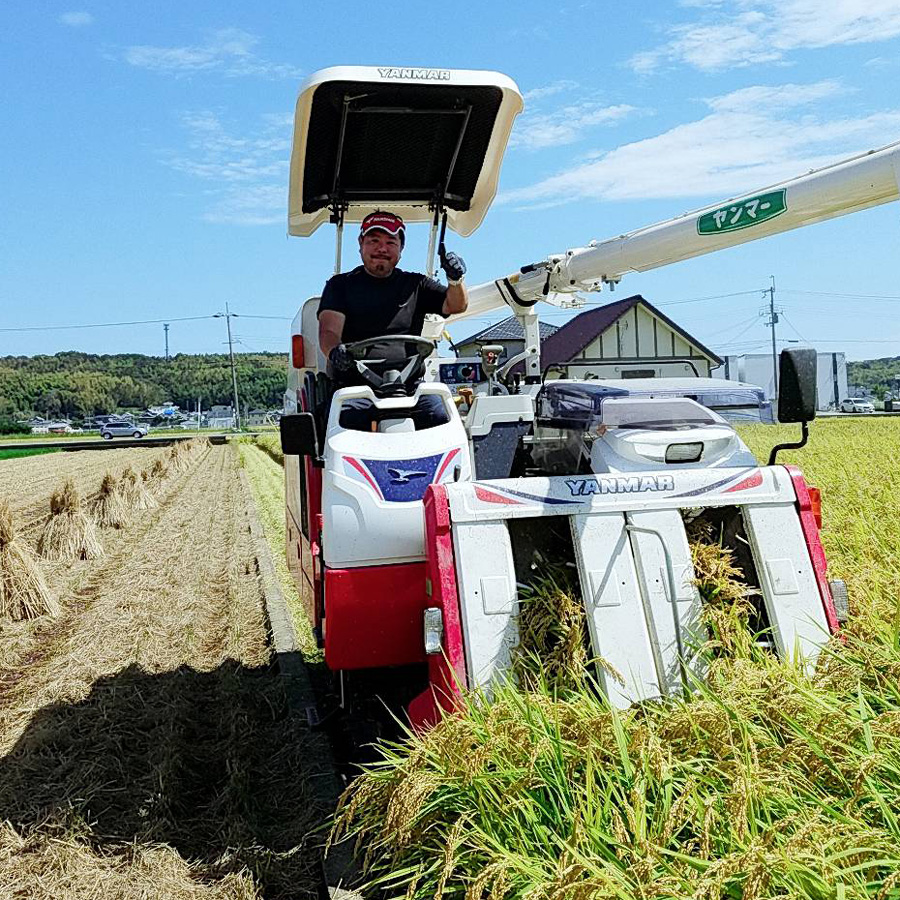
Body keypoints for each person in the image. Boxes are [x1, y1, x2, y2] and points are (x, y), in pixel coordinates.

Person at [317, 211, 468, 429]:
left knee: (440, 416)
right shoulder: (340, 286)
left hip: (409, 387)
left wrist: (456, 279)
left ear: (401, 248)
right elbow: (329, 332)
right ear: (361, 244)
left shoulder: (417, 285)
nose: (382, 248)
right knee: (347, 421)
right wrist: (335, 352)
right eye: (374, 241)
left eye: (390, 242)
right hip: (357, 388)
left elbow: (456, 305)